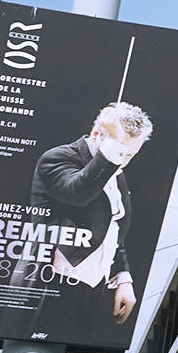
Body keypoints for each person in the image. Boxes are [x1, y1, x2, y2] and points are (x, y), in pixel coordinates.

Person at [16, 102, 154, 322]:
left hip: (92, 289)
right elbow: (79, 193)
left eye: (130, 154)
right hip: (48, 284)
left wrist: (124, 278)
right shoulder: (58, 157)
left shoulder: (115, 171)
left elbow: (112, 230)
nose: (123, 161)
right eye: (120, 149)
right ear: (96, 133)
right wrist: (113, 146)